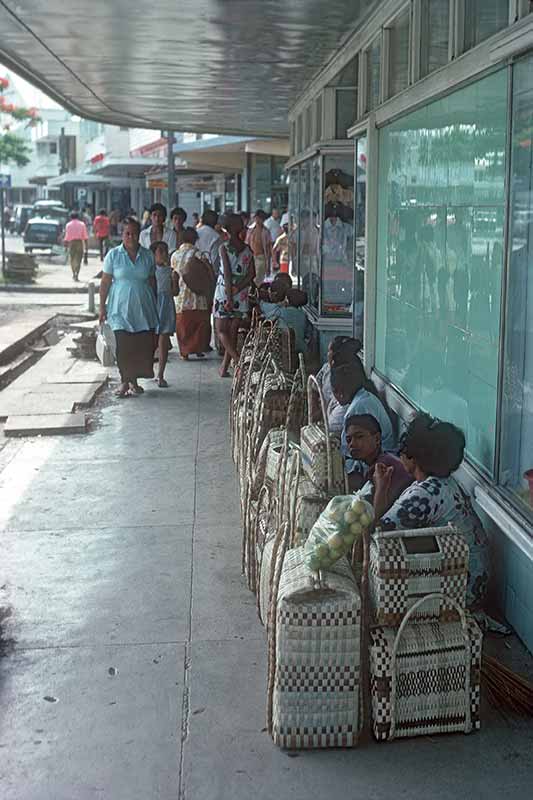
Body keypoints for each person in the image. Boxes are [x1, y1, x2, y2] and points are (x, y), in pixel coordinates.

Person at [374, 412, 490, 610]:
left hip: (461, 592)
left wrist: (380, 487)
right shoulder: (445, 483)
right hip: (475, 581)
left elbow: (377, 533)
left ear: (414, 457)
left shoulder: (425, 495)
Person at [99, 217, 158, 398]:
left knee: (142, 346)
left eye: (134, 233)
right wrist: (102, 307)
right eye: (127, 233)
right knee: (123, 346)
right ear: (122, 234)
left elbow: (152, 280)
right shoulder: (113, 255)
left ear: (139, 234)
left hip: (143, 308)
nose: (131, 237)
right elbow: (105, 282)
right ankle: (125, 382)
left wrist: (155, 303)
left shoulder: (148, 255)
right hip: (120, 309)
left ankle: (134, 380)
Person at [331, 360, 395, 482]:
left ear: (340, 393)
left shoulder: (358, 407)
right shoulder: (364, 397)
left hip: (381, 461)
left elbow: (349, 453)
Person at [213, 213, 255, 378]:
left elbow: (228, 274)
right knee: (232, 332)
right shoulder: (248, 250)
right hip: (241, 295)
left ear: (227, 229)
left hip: (225, 293)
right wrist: (239, 289)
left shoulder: (223, 248)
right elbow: (252, 274)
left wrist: (229, 297)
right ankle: (224, 367)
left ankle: (238, 361)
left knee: (220, 331)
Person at [345, 414, 412, 503]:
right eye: (349, 440)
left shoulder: (386, 467)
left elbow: (375, 513)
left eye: (359, 436)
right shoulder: (367, 466)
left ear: (377, 438)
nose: (352, 444)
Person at [172, 227, 213, 360]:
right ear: (195, 240)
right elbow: (208, 269)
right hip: (197, 295)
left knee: (183, 324)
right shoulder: (198, 254)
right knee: (199, 323)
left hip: (181, 297)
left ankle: (185, 352)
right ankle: (198, 348)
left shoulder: (175, 255)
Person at [151, 240, 175, 387]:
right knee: (151, 342)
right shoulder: (149, 271)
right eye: (160, 251)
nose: (164, 254)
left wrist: (175, 281)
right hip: (153, 305)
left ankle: (160, 374)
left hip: (166, 306)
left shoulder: (171, 272)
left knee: (163, 341)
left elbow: (175, 292)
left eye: (166, 251)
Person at [246, 210, 271, 284]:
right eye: (256, 218)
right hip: (251, 257)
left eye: (260, 218)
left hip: (261, 257)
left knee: (258, 279)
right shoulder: (250, 230)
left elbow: (267, 248)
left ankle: (255, 293)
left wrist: (268, 265)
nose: (257, 220)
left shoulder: (265, 231)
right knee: (251, 278)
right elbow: (247, 243)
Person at [63, 211, 88, 281]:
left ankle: (74, 273)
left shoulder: (68, 225)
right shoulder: (82, 224)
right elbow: (85, 236)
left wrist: (65, 245)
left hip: (71, 243)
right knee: (79, 259)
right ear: (78, 217)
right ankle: (77, 273)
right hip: (79, 242)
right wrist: (86, 246)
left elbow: (67, 236)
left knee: (72, 259)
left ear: (71, 217)